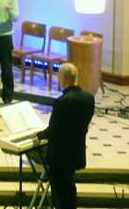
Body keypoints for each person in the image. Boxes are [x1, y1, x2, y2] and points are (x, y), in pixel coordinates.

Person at [36, 63, 94, 209]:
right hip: (76, 151)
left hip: (60, 156)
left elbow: (53, 131)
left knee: (60, 194)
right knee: (70, 189)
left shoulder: (62, 102)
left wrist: (39, 135)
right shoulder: (89, 99)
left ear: (64, 79)